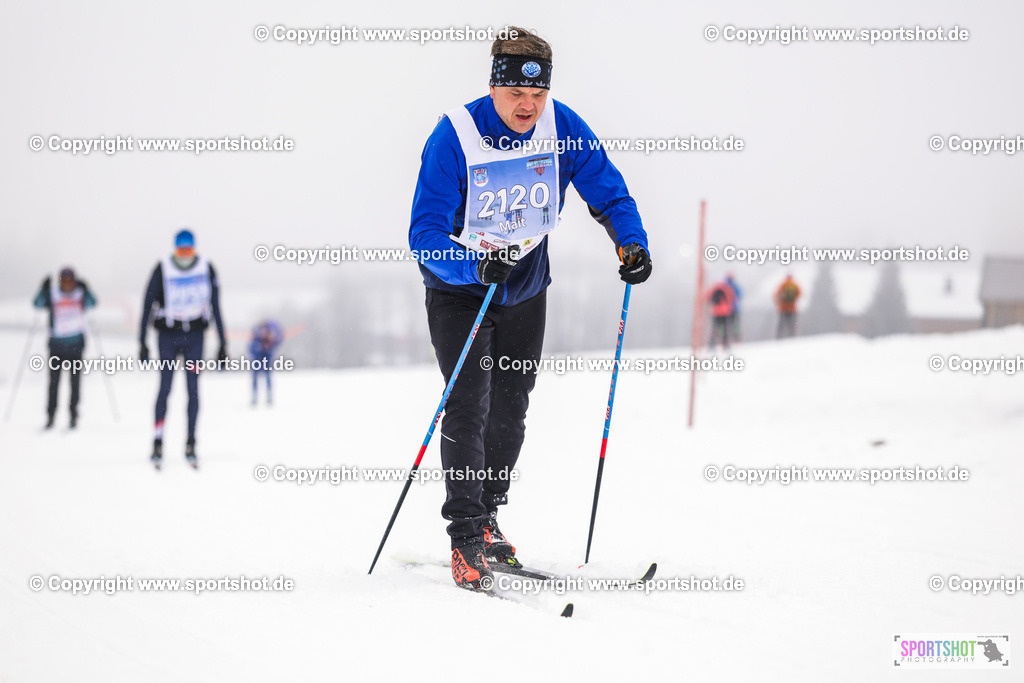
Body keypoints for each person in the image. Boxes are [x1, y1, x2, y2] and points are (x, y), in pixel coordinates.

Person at [409, 26, 652, 591]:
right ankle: (465, 535)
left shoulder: (561, 127)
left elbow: (609, 191)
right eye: (517, 94)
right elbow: (424, 234)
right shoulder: (455, 136)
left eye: (538, 95)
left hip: (524, 288)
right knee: (468, 405)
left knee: (511, 406)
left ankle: (489, 517)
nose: (528, 106)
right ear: (493, 87)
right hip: (460, 290)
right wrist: (472, 266)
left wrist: (630, 241)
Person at [139, 229, 227, 469]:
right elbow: (147, 304)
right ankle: (158, 441)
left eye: (189, 250)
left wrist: (223, 343)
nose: (185, 254)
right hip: (168, 336)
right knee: (165, 388)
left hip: (195, 338)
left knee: (193, 389)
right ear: (175, 249)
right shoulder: (163, 268)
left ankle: (190, 441)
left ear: (195, 249)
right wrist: (142, 341)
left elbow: (216, 306)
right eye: (181, 250)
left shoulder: (206, 269)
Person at [32, 267, 96, 429]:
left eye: (70, 281)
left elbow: (92, 303)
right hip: (56, 345)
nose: (67, 284)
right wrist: (43, 289)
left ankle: (73, 414)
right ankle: (51, 415)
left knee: (75, 383)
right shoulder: (52, 294)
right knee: (53, 384)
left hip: (76, 344)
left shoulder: (80, 294)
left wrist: (87, 289)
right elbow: (38, 305)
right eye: (64, 280)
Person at [249, 319, 284, 406]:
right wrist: (259, 348)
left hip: (266, 363)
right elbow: (251, 349)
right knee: (255, 378)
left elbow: (279, 340)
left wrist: (269, 346)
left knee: (268, 378)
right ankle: (254, 396)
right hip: (256, 362)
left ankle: (269, 396)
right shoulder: (256, 339)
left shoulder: (271, 342)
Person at [707, 280, 735, 350]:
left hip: (716, 312)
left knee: (715, 328)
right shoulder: (726, 289)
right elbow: (731, 299)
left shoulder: (714, 290)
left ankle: (712, 345)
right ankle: (725, 344)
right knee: (725, 328)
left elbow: (708, 299)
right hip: (724, 312)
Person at [775, 274, 801, 338]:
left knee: (782, 324)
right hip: (792, 308)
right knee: (792, 324)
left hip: (783, 308)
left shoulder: (783, 284)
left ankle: (780, 337)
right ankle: (792, 336)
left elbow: (777, 294)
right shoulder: (794, 285)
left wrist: (779, 303)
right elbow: (799, 293)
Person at [723, 272, 742, 343]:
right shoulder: (734, 286)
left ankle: (725, 340)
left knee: (726, 325)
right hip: (735, 308)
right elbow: (740, 294)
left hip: (725, 309)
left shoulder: (724, 286)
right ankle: (736, 338)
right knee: (735, 324)